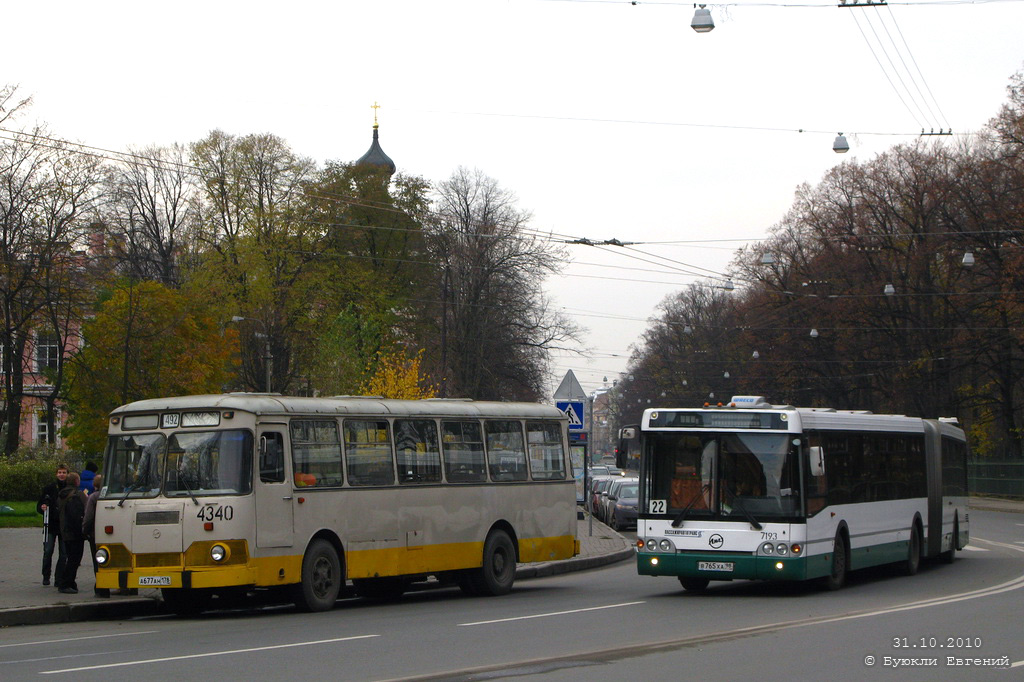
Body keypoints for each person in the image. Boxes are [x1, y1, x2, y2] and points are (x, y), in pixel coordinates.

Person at [36, 463, 69, 586]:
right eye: (60, 472)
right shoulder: (49, 488)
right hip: (50, 525)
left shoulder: (69, 489)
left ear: (67, 474)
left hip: (64, 526)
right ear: (56, 474)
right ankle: (46, 575)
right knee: (48, 550)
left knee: (64, 553)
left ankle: (59, 577)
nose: (62, 475)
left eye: (64, 472)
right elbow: (39, 505)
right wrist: (42, 507)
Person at [55, 472, 87, 594]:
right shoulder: (78, 495)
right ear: (76, 482)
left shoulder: (61, 495)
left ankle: (70, 582)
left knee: (70, 557)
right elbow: (87, 510)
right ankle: (65, 583)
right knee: (75, 559)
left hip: (65, 530)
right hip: (76, 531)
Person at [82, 473, 109, 597]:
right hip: (111, 533)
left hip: (95, 534)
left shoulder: (93, 497)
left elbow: (88, 517)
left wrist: (85, 531)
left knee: (98, 561)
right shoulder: (111, 496)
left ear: (94, 484)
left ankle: (101, 588)